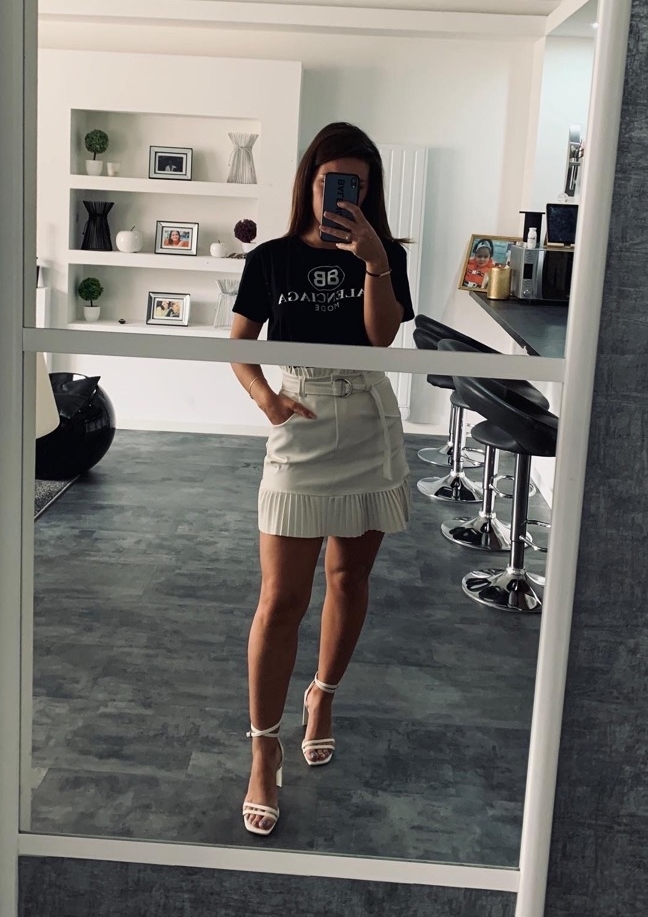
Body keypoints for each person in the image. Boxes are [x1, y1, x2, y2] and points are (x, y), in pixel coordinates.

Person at [229, 121, 414, 836]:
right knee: (280, 599)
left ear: (370, 193)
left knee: (349, 578)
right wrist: (266, 401)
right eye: (332, 181)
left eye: (357, 186)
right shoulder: (271, 258)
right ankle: (263, 748)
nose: (342, 195)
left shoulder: (385, 254)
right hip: (300, 416)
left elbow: (381, 337)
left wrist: (374, 263)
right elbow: (239, 344)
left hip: (368, 416)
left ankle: (323, 695)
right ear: (309, 181)